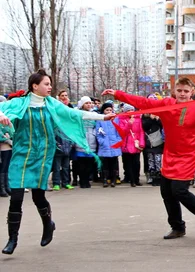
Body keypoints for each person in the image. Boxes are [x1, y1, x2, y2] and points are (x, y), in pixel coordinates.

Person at [102, 77, 195, 240]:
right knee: (166, 191)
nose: (182, 94)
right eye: (179, 90)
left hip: (188, 155)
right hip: (170, 153)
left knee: (179, 190)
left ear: (192, 92)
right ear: (175, 91)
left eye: (186, 91)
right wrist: (118, 94)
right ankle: (177, 227)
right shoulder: (167, 103)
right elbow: (143, 102)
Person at [2, 69, 113, 255]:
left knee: (38, 196)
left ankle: (48, 225)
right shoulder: (18, 102)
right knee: (16, 197)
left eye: (50, 84)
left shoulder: (52, 104)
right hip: (21, 154)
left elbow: (74, 114)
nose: (49, 87)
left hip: (43, 154)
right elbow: (1, 109)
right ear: (34, 86)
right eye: (46, 84)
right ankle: (12, 239)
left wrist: (103, 116)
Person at [95, 103, 122, 188]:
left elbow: (118, 132)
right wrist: (102, 141)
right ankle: (105, 179)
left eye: (110, 110)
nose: (109, 112)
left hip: (114, 144)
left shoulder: (115, 119)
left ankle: (114, 179)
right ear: (103, 110)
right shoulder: (100, 120)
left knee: (114, 163)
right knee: (105, 164)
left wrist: (118, 141)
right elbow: (98, 133)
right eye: (107, 110)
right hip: (105, 145)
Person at [119, 104, 145, 187]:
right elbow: (122, 132)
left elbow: (141, 131)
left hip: (135, 144)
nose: (130, 112)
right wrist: (129, 124)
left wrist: (141, 142)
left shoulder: (138, 119)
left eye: (131, 110)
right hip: (126, 144)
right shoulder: (121, 119)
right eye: (128, 110)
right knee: (128, 164)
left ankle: (137, 179)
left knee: (136, 163)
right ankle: (131, 180)